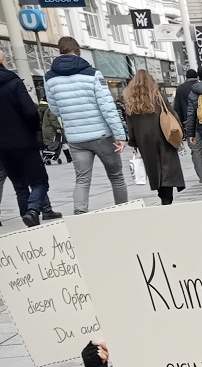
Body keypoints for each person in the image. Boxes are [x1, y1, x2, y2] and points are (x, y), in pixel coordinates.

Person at [42, 37, 128, 215]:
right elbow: (108, 108)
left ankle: (80, 213)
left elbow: (55, 109)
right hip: (102, 136)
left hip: (76, 138)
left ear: (60, 51)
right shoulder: (93, 74)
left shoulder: (49, 78)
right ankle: (123, 211)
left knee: (82, 179)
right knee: (116, 177)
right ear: (78, 50)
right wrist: (120, 135)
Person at [0, 53, 59, 227]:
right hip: (23, 141)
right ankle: (33, 211)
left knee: (19, 185)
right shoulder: (13, 81)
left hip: (2, 147)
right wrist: (34, 130)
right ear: (2, 61)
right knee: (39, 181)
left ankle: (29, 219)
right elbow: (30, 111)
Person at [122, 70, 185, 206]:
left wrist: (134, 142)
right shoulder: (159, 97)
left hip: (144, 141)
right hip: (163, 137)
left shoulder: (131, 102)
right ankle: (167, 198)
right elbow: (172, 114)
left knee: (154, 170)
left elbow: (130, 125)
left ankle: (162, 194)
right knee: (167, 168)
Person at [172, 69, 202, 185]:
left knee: (196, 151)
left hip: (190, 124)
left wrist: (181, 125)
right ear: (196, 76)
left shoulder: (180, 89)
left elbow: (177, 109)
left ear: (186, 77)